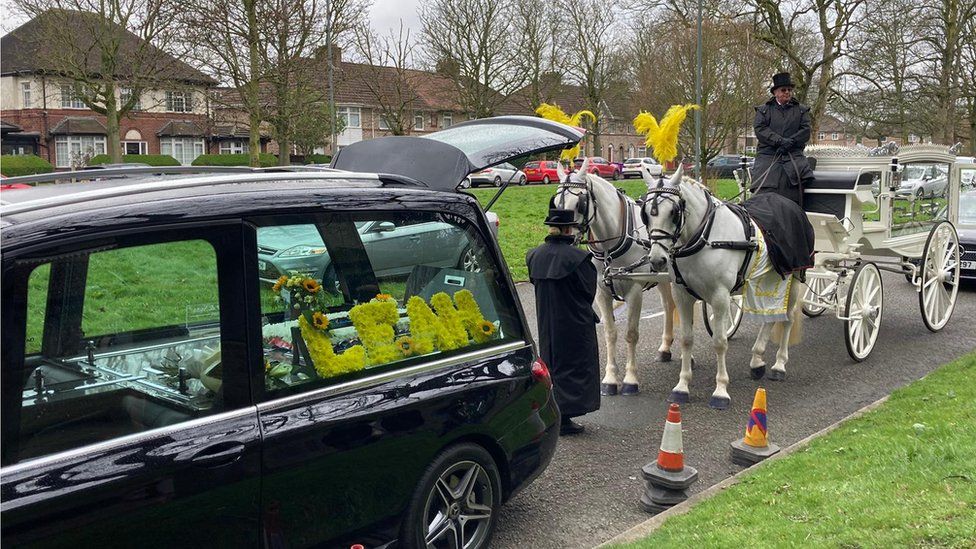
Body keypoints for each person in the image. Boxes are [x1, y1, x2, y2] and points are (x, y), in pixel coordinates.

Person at [526, 207, 601, 436]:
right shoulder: (579, 259)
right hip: (574, 323)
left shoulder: (534, 255)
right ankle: (565, 417)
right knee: (574, 367)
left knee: (551, 365)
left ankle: (552, 410)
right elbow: (588, 291)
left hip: (547, 320)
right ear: (569, 229)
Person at [750, 72, 815, 206]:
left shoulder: (802, 110)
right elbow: (760, 129)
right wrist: (779, 141)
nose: (787, 92)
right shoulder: (763, 111)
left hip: (793, 155)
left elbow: (805, 130)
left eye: (789, 90)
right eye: (783, 90)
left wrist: (791, 142)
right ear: (775, 92)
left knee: (796, 184)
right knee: (765, 186)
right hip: (769, 155)